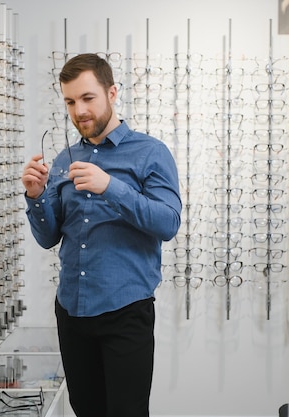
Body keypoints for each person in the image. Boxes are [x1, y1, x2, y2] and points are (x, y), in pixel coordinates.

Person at [21, 53, 182, 417]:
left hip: (125, 313)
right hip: (72, 314)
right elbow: (49, 237)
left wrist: (111, 187)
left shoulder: (150, 153)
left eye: (88, 98)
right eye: (70, 101)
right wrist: (35, 197)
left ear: (112, 93)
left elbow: (168, 223)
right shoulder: (64, 158)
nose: (79, 110)